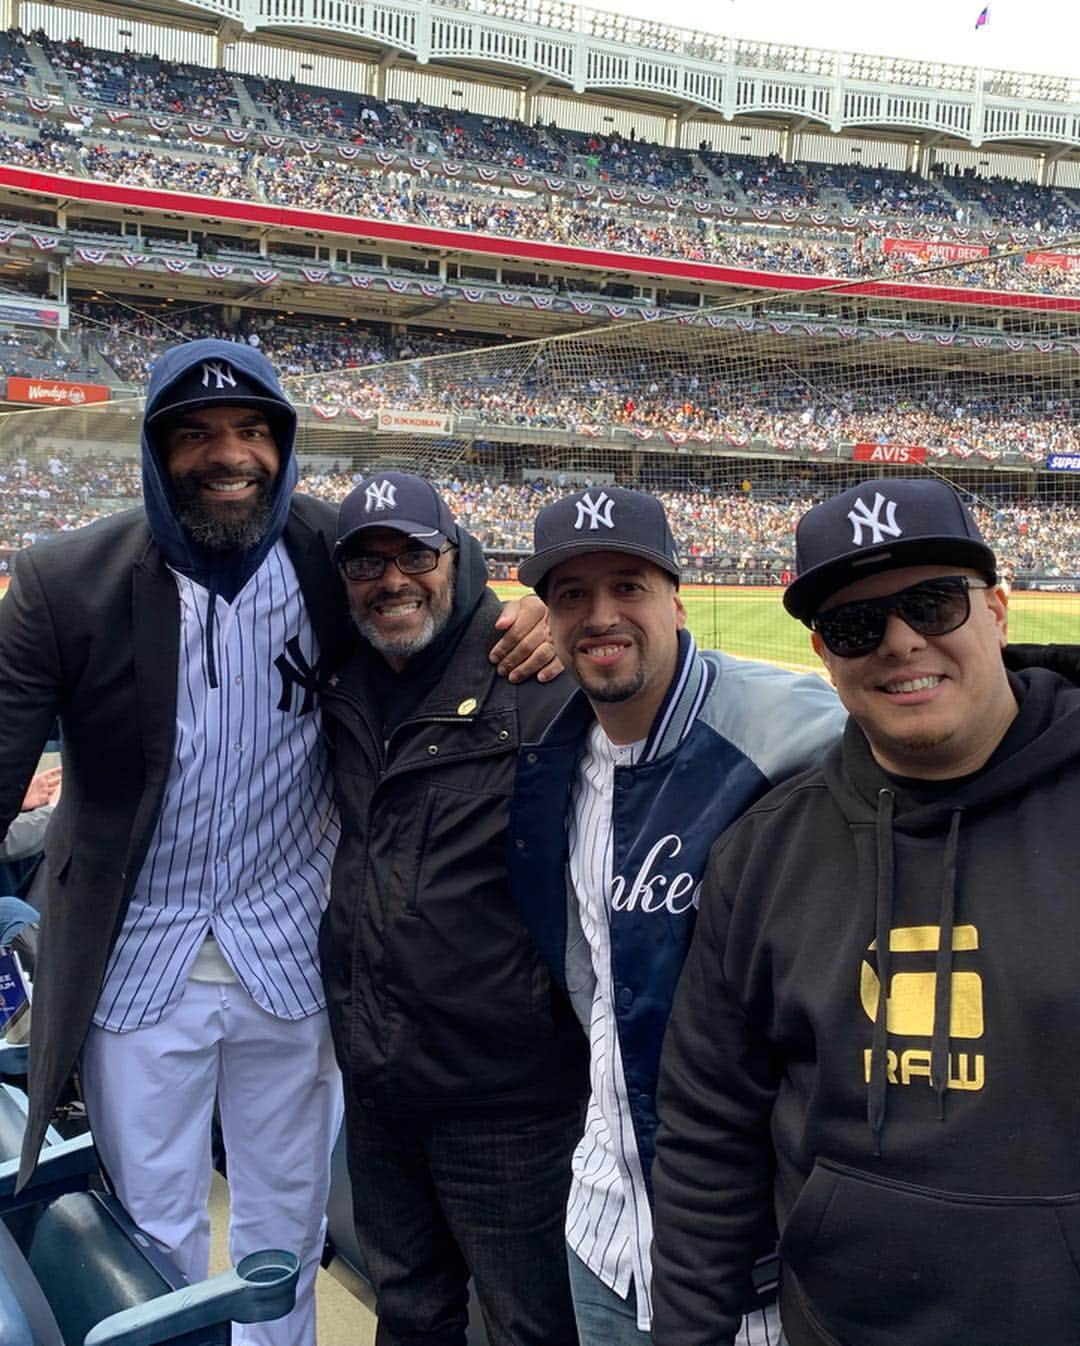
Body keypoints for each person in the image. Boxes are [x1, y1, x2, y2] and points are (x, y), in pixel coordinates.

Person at [0, 341, 551, 1346]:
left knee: (282, 1234)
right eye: (199, 434)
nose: (230, 455)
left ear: (282, 446)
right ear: (156, 449)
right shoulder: (61, 582)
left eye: (253, 431)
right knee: (153, 1230)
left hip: (290, 947)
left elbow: (452, 577)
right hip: (136, 953)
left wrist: (539, 611)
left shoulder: (327, 550)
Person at [651, 477, 1080, 1346]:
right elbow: (707, 1137)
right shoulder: (763, 853)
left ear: (998, 609)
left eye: (932, 603)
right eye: (856, 624)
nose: (898, 642)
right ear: (822, 650)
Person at [507, 486, 846, 1344]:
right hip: (605, 1227)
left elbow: (943, 714)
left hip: (752, 1251)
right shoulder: (554, 758)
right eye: (572, 595)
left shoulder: (788, 724)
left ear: (676, 599)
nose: (601, 615)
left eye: (628, 585)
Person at [320, 472, 587, 1346]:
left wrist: (558, 618)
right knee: (408, 1310)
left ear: (457, 554)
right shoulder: (340, 669)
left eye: (415, 554)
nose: (393, 578)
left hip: (507, 1098)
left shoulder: (535, 667)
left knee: (528, 1322)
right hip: (379, 1081)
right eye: (367, 560)